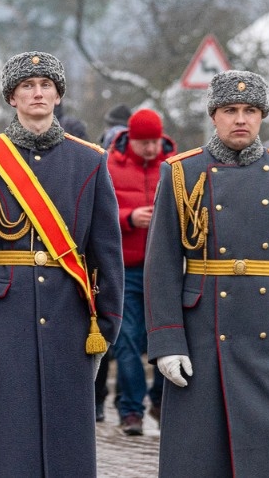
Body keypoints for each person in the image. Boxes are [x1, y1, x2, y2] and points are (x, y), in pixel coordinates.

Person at [145, 70, 269, 476]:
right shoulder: (182, 172)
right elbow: (161, 266)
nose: (241, 119)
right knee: (195, 459)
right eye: (230, 110)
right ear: (214, 115)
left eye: (251, 110)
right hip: (200, 339)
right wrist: (166, 342)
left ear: (262, 116)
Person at [0, 51, 124, 476]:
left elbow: (106, 250)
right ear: (12, 96)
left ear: (59, 94)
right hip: (4, 311)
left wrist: (106, 324)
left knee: (68, 432)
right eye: (27, 85)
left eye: (46, 85)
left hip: (69, 311)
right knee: (9, 430)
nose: (38, 93)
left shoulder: (89, 160)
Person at [107, 108, 176, 435]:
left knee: (167, 338)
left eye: (155, 141)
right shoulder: (110, 166)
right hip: (127, 270)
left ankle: (161, 400)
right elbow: (100, 212)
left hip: (167, 271)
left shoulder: (176, 166)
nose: (150, 148)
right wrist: (129, 218)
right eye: (144, 142)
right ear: (130, 140)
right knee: (128, 342)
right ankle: (131, 410)